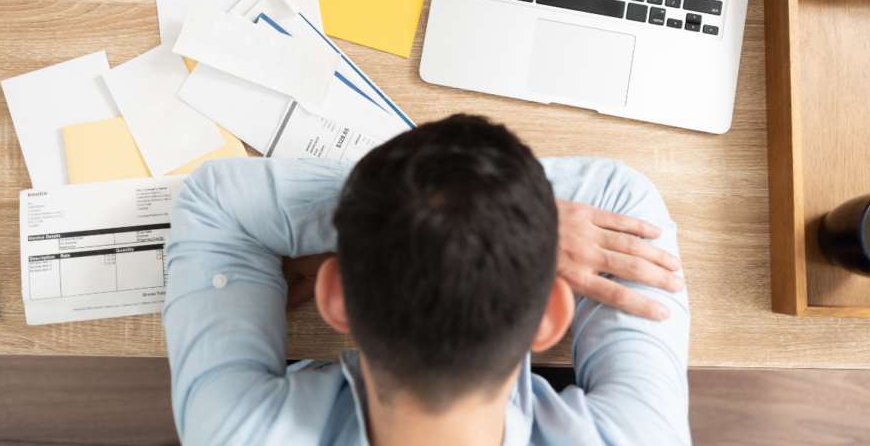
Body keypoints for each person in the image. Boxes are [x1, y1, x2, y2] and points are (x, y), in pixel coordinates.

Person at [163, 114, 690, 446]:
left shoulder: (231, 430)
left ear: (335, 296)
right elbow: (622, 197)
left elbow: (215, 199)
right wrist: (494, 224)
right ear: (551, 316)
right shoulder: (641, 436)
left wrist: (401, 222)